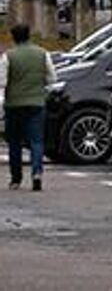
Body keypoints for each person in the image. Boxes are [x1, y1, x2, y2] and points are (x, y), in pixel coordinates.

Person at [5, 21, 55, 190]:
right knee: (36, 141)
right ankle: (37, 173)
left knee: (14, 142)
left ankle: (16, 178)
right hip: (37, 103)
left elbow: (2, 81)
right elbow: (52, 78)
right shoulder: (43, 53)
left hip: (14, 104)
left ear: (13, 38)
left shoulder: (8, 56)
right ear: (29, 36)